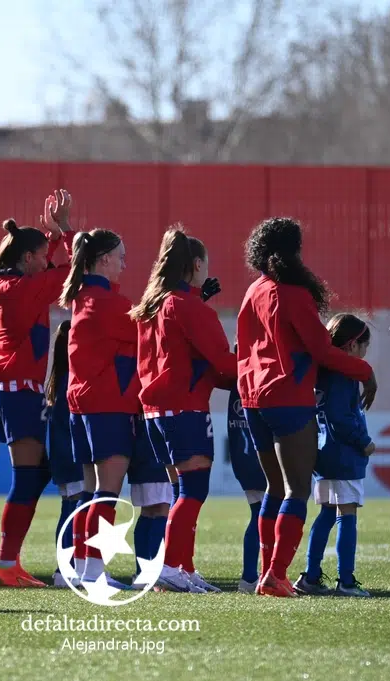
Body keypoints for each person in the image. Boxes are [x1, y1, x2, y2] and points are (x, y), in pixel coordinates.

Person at [237, 217, 377, 598]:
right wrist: (365, 369)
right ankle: (276, 576)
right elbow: (321, 349)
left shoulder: (254, 291)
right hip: (287, 396)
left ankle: (269, 572)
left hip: (252, 397)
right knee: (297, 490)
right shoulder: (293, 294)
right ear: (293, 251)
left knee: (274, 487)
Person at [58, 229, 172, 590]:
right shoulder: (107, 302)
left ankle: (79, 565)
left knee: (91, 491)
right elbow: (153, 328)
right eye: (120, 256)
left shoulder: (84, 296)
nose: (125, 262)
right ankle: (92, 569)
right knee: (106, 492)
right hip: (107, 405)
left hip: (83, 404)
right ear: (103, 259)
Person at [130, 227, 234, 594]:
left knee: (181, 491)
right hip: (184, 407)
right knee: (193, 490)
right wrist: (257, 370)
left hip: (157, 409)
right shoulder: (187, 306)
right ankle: (171, 565)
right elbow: (222, 360)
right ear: (196, 264)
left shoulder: (153, 304)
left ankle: (183, 568)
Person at [0, 190, 73, 588]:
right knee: (25, 476)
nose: (44, 262)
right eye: (39, 256)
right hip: (17, 389)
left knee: (34, 475)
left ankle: (9, 561)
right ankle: (5, 564)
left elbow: (49, 270)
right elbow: (74, 272)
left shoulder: (4, 283)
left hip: (11, 387)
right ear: (25, 260)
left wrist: (49, 238)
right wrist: (67, 231)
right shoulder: (21, 289)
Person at [296, 313, 374, 598]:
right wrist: (363, 441)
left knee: (327, 512)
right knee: (347, 513)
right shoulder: (344, 373)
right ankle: (346, 581)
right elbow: (340, 418)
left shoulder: (324, 370)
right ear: (352, 345)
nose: (366, 353)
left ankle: (311, 576)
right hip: (343, 453)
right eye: (365, 346)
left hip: (324, 452)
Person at [43, 320, 86, 588]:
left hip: (61, 456)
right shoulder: (73, 379)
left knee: (68, 508)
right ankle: (69, 567)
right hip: (72, 455)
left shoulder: (59, 378)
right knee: (75, 510)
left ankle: (64, 568)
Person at [227, 370, 268, 593]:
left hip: (242, 459)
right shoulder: (256, 377)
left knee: (257, 512)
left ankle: (252, 576)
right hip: (259, 459)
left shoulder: (237, 381)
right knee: (265, 514)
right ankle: (257, 576)